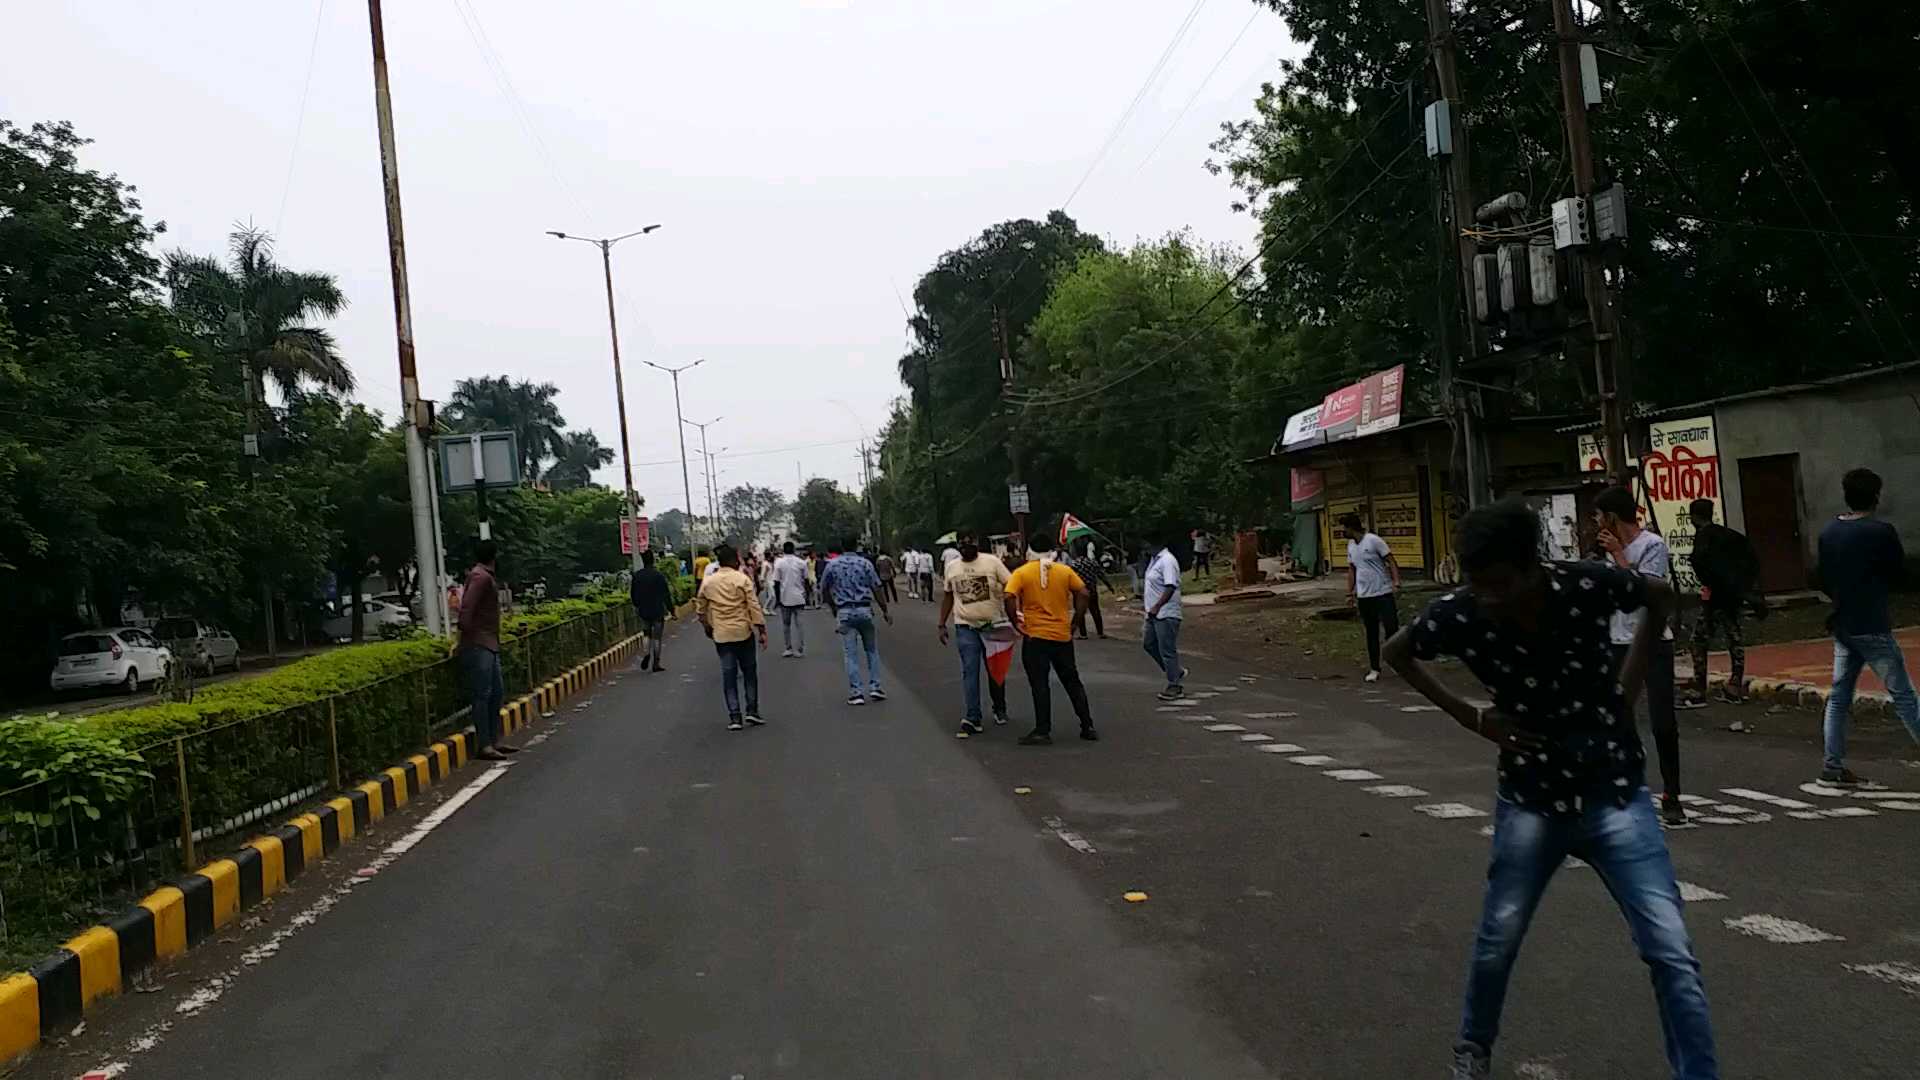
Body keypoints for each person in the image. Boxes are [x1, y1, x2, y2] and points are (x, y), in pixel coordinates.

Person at [1382, 499, 1717, 1080]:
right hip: (1531, 800)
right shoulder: (1461, 614)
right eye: (1478, 583)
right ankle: (1472, 1050)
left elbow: (1658, 595)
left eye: (1500, 583)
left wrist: (1627, 689)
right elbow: (1397, 651)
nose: (1489, 595)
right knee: (1497, 940)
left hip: (1613, 791)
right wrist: (1472, 717)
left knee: (1671, 951)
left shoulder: (1585, 584)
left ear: (1532, 566)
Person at [1816, 467, 1920, 784]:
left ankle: (1832, 766)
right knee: (1903, 696)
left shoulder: (1828, 532)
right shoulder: (1880, 532)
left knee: (1839, 697)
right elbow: (1900, 575)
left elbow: (1822, 577)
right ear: (1876, 496)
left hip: (1844, 626)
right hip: (1872, 624)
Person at [1594, 486, 1685, 824]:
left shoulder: (1652, 545)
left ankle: (1672, 794)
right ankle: (1626, 789)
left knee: (1663, 721)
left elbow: (1649, 591)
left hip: (1651, 641)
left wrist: (1620, 557)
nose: (1597, 524)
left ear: (1613, 517)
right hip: (1617, 641)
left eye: (1601, 517)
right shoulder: (1603, 550)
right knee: (1619, 720)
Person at [1004, 535, 1097, 744]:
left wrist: (1015, 623)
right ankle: (1087, 725)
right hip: (1062, 635)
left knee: (1039, 683)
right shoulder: (1064, 571)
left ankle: (1042, 730)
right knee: (1072, 681)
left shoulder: (1022, 572)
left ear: (1030, 550)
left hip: (1035, 636)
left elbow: (1009, 596)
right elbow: (1083, 592)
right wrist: (1075, 621)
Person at [1683, 498, 1761, 708]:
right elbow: (1751, 559)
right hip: (1733, 596)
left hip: (1715, 598)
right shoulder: (1731, 536)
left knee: (1699, 640)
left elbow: (1702, 565)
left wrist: (1710, 587)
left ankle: (1699, 689)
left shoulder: (1703, 537)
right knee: (1734, 638)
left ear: (1694, 517)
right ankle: (1735, 684)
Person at [938, 529, 1013, 733]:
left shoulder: (992, 562)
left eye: (969, 543)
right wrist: (942, 624)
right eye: (961, 544)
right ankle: (973, 716)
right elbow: (948, 596)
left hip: (993, 624)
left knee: (995, 670)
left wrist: (1012, 612)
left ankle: (999, 708)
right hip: (965, 627)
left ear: (977, 543)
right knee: (970, 671)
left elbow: (1011, 585)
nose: (965, 547)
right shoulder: (952, 567)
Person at [694, 544, 768, 731]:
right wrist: (762, 630)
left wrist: (707, 627)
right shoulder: (741, 579)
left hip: (721, 634)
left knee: (729, 675)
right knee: (749, 673)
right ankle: (752, 710)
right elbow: (753, 606)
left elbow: (700, 609)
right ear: (735, 561)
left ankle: (735, 716)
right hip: (743, 632)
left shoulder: (709, 582)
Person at [456, 540, 517, 761]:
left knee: (496, 693)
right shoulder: (481, 577)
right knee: (483, 694)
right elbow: (467, 609)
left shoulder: (483, 576)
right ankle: (485, 744)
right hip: (478, 643)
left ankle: (494, 740)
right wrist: (466, 634)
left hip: (489, 642)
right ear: (494, 555)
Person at [820, 536, 892, 704]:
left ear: (841, 546)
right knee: (872, 650)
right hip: (864, 609)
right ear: (856, 546)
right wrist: (885, 610)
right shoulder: (865, 564)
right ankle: (875, 687)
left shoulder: (832, 565)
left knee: (850, 654)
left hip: (844, 611)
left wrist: (833, 607)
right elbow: (877, 587)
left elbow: (824, 588)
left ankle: (856, 692)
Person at [1344, 513, 1402, 683]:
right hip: (1365, 595)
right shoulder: (1351, 546)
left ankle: (1398, 662)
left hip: (1382, 592)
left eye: (1345, 528)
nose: (1344, 532)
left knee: (1392, 628)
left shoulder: (1373, 540)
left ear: (1351, 528)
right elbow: (1352, 569)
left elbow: (1390, 560)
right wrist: (1350, 592)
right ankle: (1374, 668)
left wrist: (1396, 581)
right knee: (1371, 633)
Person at [1142, 533, 1187, 701]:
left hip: (1166, 612)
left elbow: (1170, 586)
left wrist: (1157, 606)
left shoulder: (1167, 560)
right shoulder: (1155, 560)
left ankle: (1174, 684)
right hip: (1153, 613)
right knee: (1149, 644)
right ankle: (1176, 671)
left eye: (1146, 544)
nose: (1144, 548)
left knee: (1167, 649)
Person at [629, 549, 674, 672]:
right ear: (653, 560)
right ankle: (656, 663)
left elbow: (633, 594)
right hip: (657, 610)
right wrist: (672, 610)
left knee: (646, 634)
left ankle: (646, 653)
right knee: (657, 637)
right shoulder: (658, 576)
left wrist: (637, 606)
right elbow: (666, 595)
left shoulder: (637, 576)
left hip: (644, 609)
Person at [769, 541, 810, 658]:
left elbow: (776, 583)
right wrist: (806, 595)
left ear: (783, 550)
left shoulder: (779, 563)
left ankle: (788, 648)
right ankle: (800, 649)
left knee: (786, 625)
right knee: (800, 625)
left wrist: (777, 600)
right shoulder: (801, 562)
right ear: (793, 550)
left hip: (785, 598)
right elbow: (806, 580)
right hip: (799, 597)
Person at [1068, 539, 1110, 640]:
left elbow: (1069, 577)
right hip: (1092, 589)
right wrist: (1109, 586)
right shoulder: (1092, 562)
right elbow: (1101, 575)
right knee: (1095, 611)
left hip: (1080, 592)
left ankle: (1083, 634)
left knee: (1080, 612)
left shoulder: (1076, 564)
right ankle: (1100, 632)